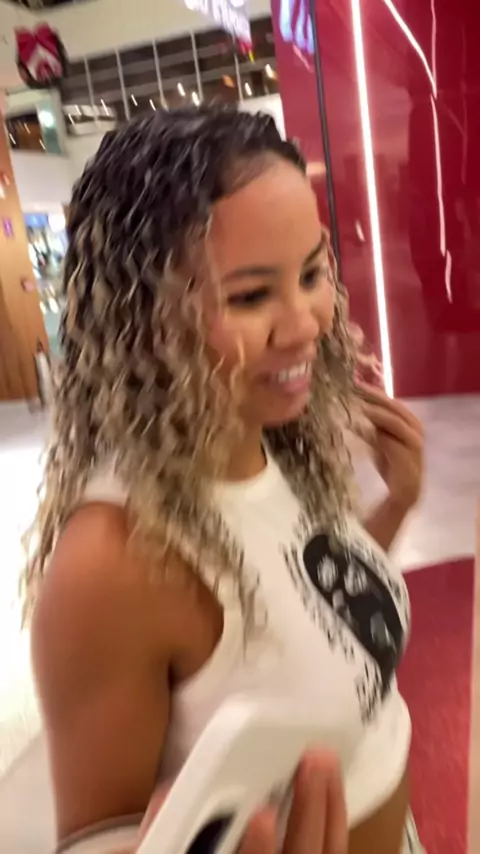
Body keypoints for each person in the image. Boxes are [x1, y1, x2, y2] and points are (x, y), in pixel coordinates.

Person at [24, 106, 424, 854]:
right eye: (250, 296)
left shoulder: (279, 446)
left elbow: (310, 614)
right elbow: (96, 840)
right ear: (145, 319)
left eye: (312, 274)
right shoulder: (112, 561)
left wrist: (395, 506)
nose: (304, 324)